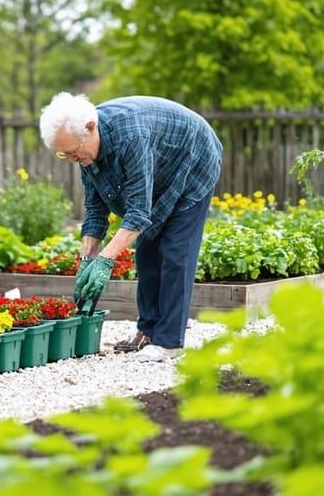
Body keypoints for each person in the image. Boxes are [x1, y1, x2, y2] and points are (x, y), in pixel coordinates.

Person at [39, 93, 222, 362]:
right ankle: (147, 331)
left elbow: (138, 212)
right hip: (159, 170)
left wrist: (104, 261)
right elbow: (95, 209)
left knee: (175, 253)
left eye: (73, 152)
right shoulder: (84, 149)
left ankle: (169, 342)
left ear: (90, 128)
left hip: (194, 160)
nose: (70, 159)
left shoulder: (131, 136)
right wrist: (86, 259)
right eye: (63, 154)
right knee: (147, 252)